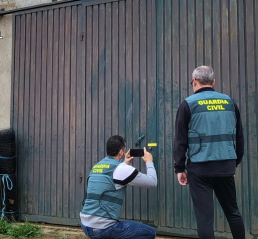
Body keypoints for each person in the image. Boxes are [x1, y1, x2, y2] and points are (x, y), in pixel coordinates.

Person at [173, 66, 246, 239]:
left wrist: (179, 168)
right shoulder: (229, 102)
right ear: (213, 82)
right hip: (225, 167)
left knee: (204, 220)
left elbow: (180, 141)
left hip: (200, 169)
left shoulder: (188, 104)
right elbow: (240, 137)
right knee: (233, 212)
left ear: (194, 82)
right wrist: (233, 162)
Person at [80, 135, 157, 239]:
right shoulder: (121, 169)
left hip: (85, 224)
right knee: (149, 233)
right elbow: (152, 182)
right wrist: (149, 161)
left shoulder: (97, 166)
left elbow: (114, 174)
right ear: (121, 152)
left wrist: (125, 163)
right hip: (103, 228)